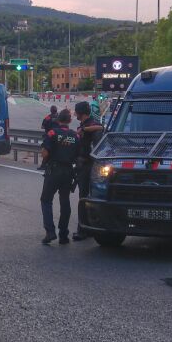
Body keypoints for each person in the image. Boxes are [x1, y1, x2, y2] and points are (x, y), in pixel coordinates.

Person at [39, 110, 80, 244]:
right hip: (68, 171)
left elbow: (45, 153)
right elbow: (79, 156)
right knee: (65, 201)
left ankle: (50, 232)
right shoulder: (76, 136)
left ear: (58, 121)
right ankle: (63, 234)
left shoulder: (52, 133)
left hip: (54, 171)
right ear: (69, 121)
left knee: (46, 200)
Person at [70, 100, 104, 241]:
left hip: (87, 165)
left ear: (80, 112)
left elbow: (100, 127)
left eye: (76, 112)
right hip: (87, 165)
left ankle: (83, 229)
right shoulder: (86, 125)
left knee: (83, 198)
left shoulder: (90, 125)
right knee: (88, 197)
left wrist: (83, 131)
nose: (75, 114)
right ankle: (89, 227)